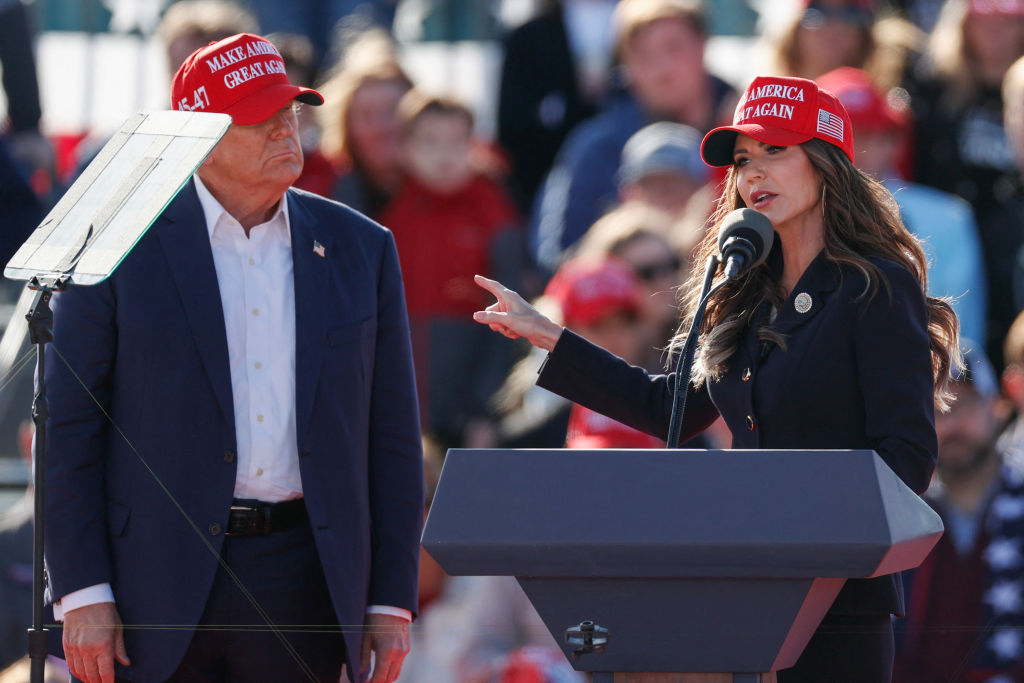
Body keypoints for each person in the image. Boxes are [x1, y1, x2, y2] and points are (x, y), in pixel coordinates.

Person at [473, 74, 960, 681]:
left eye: (775, 151)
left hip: (839, 597)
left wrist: (806, 512)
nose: (754, 173)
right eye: (743, 160)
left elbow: (908, 457)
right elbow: (667, 408)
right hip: (747, 589)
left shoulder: (874, 286)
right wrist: (551, 336)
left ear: (827, 161)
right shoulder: (747, 290)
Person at [44, 33, 423, 683]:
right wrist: (82, 590)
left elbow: (390, 437)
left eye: (291, 111)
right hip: (148, 582)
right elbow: (67, 427)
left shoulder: (362, 248)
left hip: (303, 575)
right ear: (199, 137)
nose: (286, 128)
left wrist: (390, 598)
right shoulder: (111, 247)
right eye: (261, 116)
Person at [529, 0, 736, 273]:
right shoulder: (594, 147)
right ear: (625, 65)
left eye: (674, 47)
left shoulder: (747, 135)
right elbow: (558, 258)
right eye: (643, 54)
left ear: (703, 46)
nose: (662, 68)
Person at [379, 90, 519, 449]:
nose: (444, 155)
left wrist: (486, 411)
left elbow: (512, 323)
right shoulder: (388, 217)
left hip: (468, 417)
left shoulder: (495, 216)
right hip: (398, 408)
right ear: (403, 148)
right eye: (429, 142)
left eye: (457, 142)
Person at [815, 66, 988, 348]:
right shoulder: (785, 214)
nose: (851, 149)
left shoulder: (950, 218)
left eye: (868, 134)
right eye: (839, 135)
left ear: (894, 142)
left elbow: (963, 343)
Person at [894, 341, 1024, 682]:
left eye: (963, 405)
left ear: (998, 407)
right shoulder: (900, 518)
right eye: (937, 408)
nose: (951, 425)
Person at [317, 27, 414, 219]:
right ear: (345, 125)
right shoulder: (320, 193)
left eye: (393, 112)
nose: (382, 127)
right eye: (367, 115)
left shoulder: (464, 188)